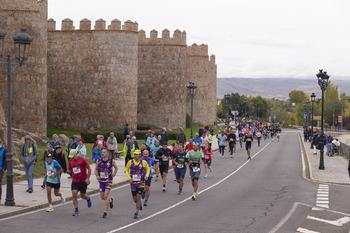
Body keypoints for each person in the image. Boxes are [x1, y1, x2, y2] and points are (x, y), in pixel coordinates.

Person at [125, 150, 150, 219]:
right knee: (135, 199)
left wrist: (146, 176)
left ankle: (136, 212)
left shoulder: (143, 162)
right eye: (134, 154)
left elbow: (148, 169)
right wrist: (129, 178)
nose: (135, 155)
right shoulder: (130, 162)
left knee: (138, 197)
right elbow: (126, 170)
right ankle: (139, 204)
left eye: (136, 154)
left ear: (140, 155)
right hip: (133, 183)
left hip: (141, 183)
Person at [67, 149, 92, 216]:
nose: (72, 158)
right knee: (74, 194)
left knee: (82, 195)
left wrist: (88, 178)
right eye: (71, 157)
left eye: (73, 156)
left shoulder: (82, 160)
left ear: (76, 154)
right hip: (75, 180)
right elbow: (69, 169)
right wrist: (68, 171)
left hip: (83, 180)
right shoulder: (71, 160)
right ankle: (76, 210)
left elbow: (89, 168)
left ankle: (88, 198)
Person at [95, 148, 118, 218]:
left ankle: (105, 212)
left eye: (104, 152)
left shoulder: (111, 161)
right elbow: (96, 169)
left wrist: (114, 173)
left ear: (108, 153)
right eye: (102, 152)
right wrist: (97, 175)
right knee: (102, 197)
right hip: (101, 181)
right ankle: (110, 200)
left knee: (105, 195)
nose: (103, 153)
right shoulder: (98, 161)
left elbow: (116, 168)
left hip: (108, 180)